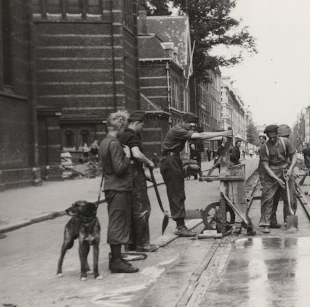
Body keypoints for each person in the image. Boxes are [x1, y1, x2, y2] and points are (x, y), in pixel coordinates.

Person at [161, 113, 232, 237]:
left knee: (179, 194)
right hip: (170, 161)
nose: (192, 128)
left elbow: (202, 137)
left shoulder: (183, 129)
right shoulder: (178, 130)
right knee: (176, 193)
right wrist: (223, 133)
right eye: (191, 125)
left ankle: (180, 224)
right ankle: (180, 227)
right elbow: (202, 135)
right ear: (183, 121)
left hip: (174, 159)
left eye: (194, 126)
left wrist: (221, 137)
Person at [99, 110, 138, 273]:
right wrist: (128, 157)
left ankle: (118, 258)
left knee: (118, 222)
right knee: (118, 223)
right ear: (120, 126)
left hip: (112, 187)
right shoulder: (114, 144)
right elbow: (120, 169)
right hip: (118, 188)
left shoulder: (105, 142)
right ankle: (116, 261)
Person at [118, 111, 158, 253]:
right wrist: (149, 162)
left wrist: (146, 175)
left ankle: (131, 243)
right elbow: (136, 154)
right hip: (134, 175)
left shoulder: (122, 135)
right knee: (143, 209)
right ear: (136, 123)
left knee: (132, 209)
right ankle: (143, 244)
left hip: (127, 175)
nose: (143, 128)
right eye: (142, 125)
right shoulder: (132, 135)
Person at [258, 124, 297, 234]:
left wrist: (290, 169)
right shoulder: (264, 147)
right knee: (268, 198)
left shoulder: (285, 142)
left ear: (277, 134)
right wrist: (276, 178)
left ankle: (289, 222)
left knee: (290, 198)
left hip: (285, 171)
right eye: (269, 137)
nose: (272, 139)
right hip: (271, 173)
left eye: (274, 136)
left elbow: (293, 156)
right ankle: (267, 223)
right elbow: (265, 166)